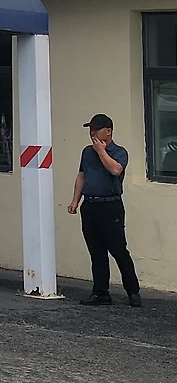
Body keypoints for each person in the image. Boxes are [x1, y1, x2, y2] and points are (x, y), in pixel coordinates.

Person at [68, 113, 141, 307]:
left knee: (118, 249)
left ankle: (133, 291)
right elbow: (82, 176)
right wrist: (75, 200)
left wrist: (101, 151)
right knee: (96, 251)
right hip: (90, 205)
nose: (92, 133)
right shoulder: (87, 152)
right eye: (90, 130)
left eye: (96, 129)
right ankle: (100, 292)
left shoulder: (119, 152)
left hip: (110, 205)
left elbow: (115, 170)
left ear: (108, 131)